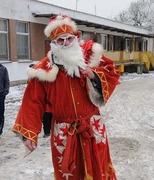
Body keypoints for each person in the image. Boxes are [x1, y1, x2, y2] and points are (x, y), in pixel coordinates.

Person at [12, 15, 120, 179]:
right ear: (53, 43)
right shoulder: (43, 71)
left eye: (69, 39)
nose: (66, 43)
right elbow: (32, 102)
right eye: (60, 40)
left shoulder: (90, 57)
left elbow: (112, 72)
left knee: (99, 169)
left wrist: (93, 75)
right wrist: (29, 133)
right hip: (64, 132)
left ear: (75, 38)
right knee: (69, 172)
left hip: (92, 126)